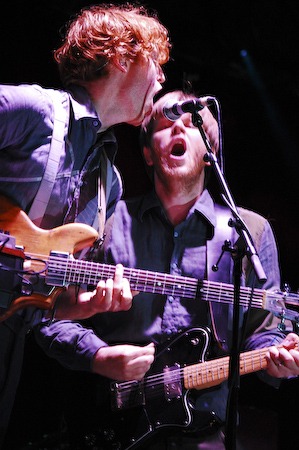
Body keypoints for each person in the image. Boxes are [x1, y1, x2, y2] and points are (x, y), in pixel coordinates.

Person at [34, 90, 299, 449]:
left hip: (205, 431)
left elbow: (263, 332)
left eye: (193, 124)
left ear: (211, 154)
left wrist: (281, 356)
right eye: (165, 122)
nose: (179, 129)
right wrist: (97, 356)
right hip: (104, 428)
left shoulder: (248, 233)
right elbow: (47, 314)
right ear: (147, 151)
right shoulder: (105, 222)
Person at [0, 3, 171, 445]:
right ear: (121, 56)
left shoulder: (107, 185)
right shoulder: (31, 112)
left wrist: (88, 312)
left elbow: (40, 313)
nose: (163, 79)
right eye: (157, 63)